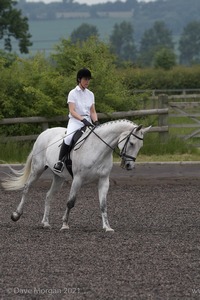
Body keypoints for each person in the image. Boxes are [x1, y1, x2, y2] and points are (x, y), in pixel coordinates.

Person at [54, 67, 99, 173]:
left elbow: (92, 111)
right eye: (85, 79)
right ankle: (60, 162)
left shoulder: (90, 94)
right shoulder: (72, 93)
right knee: (69, 138)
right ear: (79, 79)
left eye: (88, 79)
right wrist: (83, 120)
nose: (87, 81)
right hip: (75, 121)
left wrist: (96, 121)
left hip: (88, 120)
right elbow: (72, 111)